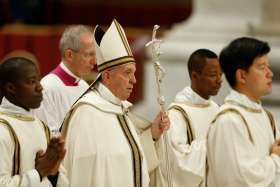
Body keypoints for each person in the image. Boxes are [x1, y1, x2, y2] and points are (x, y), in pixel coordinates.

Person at [60, 19, 170, 187]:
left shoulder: (121, 110)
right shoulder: (86, 114)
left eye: (134, 73)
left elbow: (131, 163)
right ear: (107, 76)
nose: (134, 80)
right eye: (127, 73)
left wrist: (153, 135)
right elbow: (81, 174)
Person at [207, 37, 280, 187]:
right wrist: (275, 159)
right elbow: (240, 179)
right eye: (262, 67)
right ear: (241, 75)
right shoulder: (229, 120)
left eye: (268, 66)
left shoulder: (266, 117)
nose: (270, 74)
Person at [0, 57, 68, 186]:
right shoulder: (2, 128)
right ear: (11, 88)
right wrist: (39, 172)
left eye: (38, 79)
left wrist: (53, 172)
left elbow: (56, 181)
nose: (40, 87)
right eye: (32, 81)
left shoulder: (41, 126)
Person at [165, 49, 222, 187]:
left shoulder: (218, 109)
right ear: (195, 76)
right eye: (213, 75)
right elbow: (177, 162)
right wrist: (216, 143)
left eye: (221, 74)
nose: (219, 80)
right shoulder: (177, 114)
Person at [33, 25, 96, 131]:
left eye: (94, 55)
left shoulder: (84, 86)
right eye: (88, 55)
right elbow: (47, 134)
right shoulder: (47, 88)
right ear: (69, 55)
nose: (94, 62)